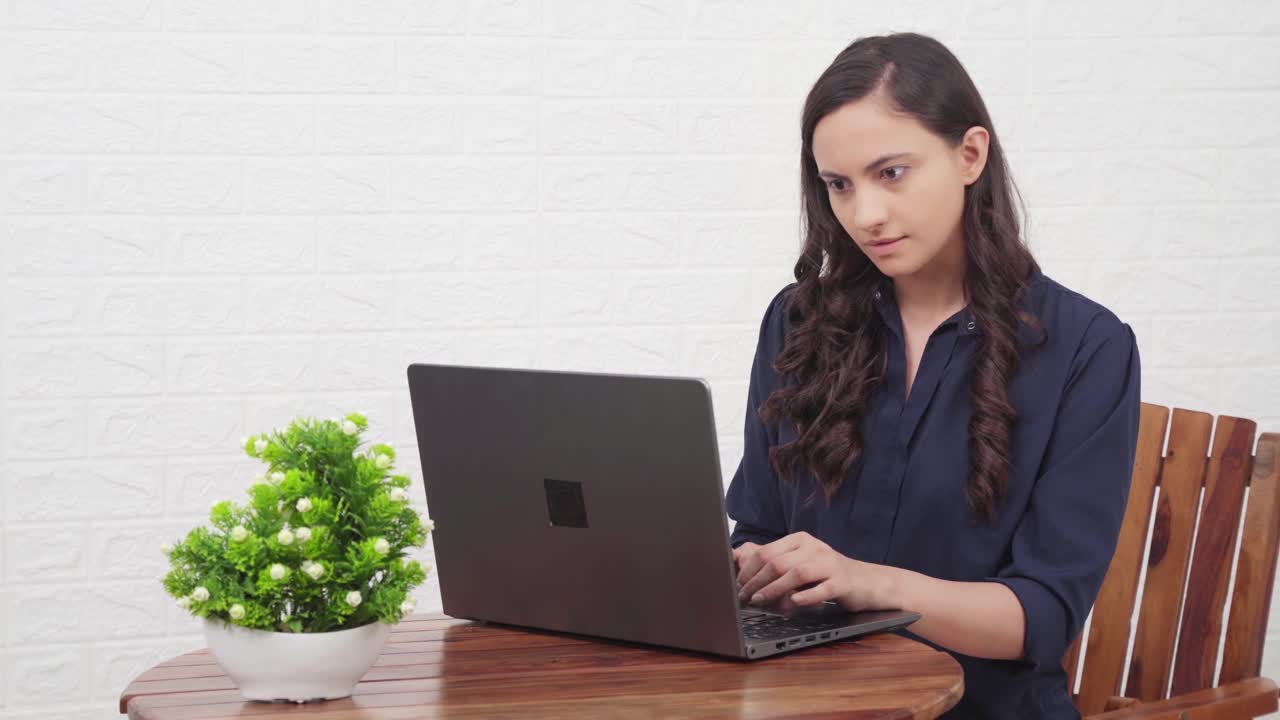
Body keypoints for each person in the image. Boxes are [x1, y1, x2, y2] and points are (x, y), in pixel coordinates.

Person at [726, 32, 1141, 719]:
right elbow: (760, 530)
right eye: (839, 185)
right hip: (809, 704)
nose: (866, 215)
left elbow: (1042, 615)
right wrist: (742, 568)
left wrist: (865, 583)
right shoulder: (797, 323)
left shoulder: (1086, 348)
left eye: (891, 173)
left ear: (970, 154)